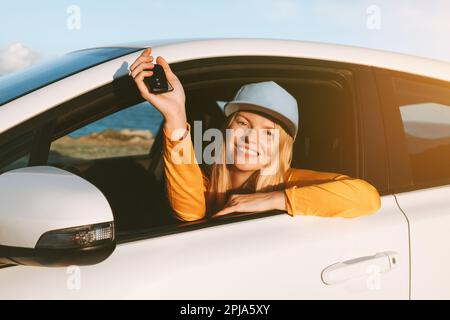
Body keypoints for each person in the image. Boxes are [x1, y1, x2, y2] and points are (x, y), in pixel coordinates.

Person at [130, 48, 381, 222]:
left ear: (281, 147)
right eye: (243, 122)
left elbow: (367, 197)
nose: (251, 138)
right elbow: (189, 214)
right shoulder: (207, 182)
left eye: (269, 133)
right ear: (227, 129)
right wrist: (175, 116)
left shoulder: (290, 180)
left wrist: (274, 199)